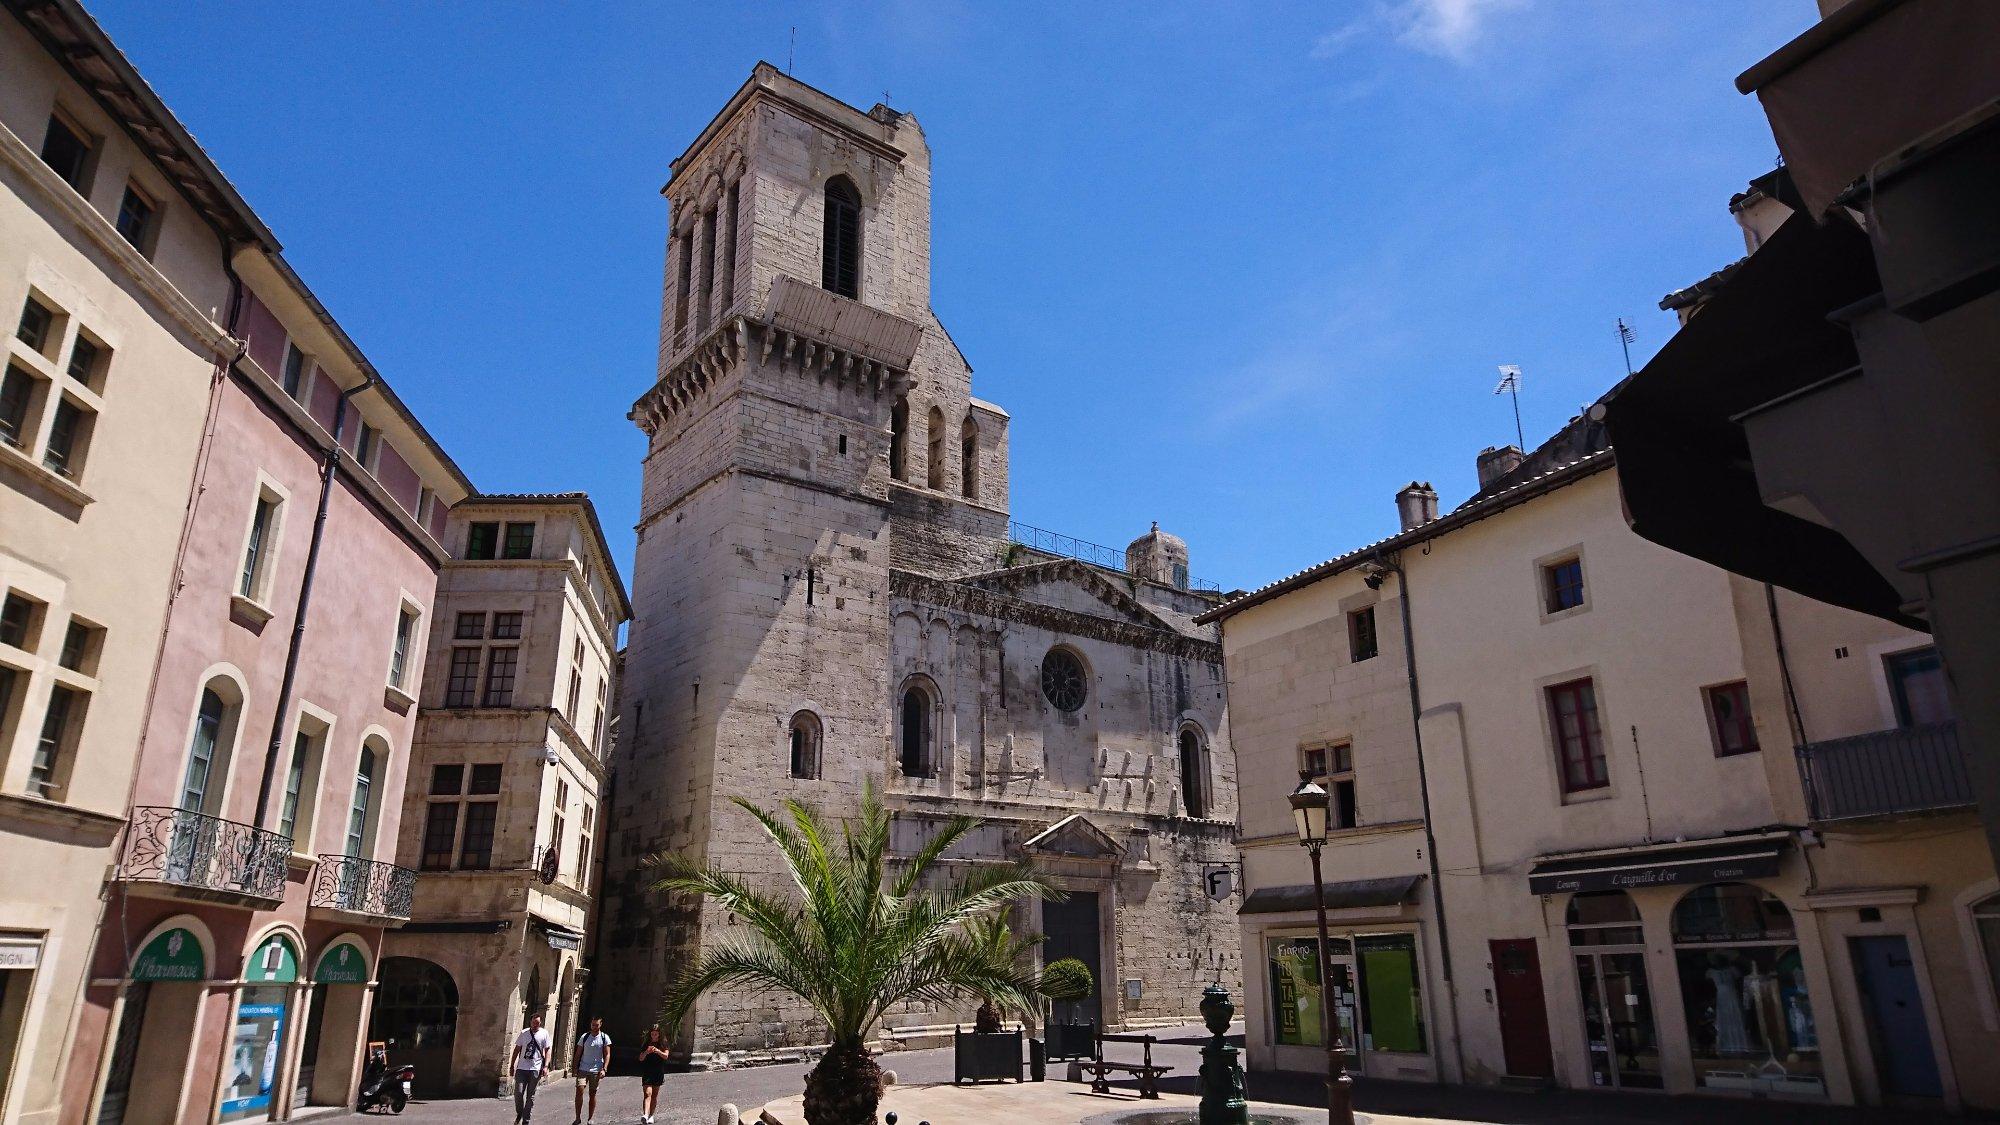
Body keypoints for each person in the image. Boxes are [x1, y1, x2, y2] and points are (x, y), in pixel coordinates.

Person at [510, 1011, 552, 1123]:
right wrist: (512, 1065)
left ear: (540, 1023)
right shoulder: (524, 1033)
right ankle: (520, 1113)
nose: (535, 1025)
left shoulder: (544, 1034)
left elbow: (547, 1051)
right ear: (530, 1022)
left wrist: (546, 1066)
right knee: (518, 1093)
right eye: (533, 1022)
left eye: (537, 1023)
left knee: (530, 1096)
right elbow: (516, 1050)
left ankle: (526, 1120)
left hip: (535, 1068)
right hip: (522, 1068)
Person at [573, 1017, 611, 1125]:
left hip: (596, 1070)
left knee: (592, 1094)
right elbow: (578, 1052)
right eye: (593, 1025)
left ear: (600, 1025)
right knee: (579, 1090)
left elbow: (607, 1054)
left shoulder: (604, 1038)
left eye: (596, 1025)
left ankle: (590, 1118)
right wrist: (575, 1067)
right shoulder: (584, 1037)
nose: (594, 1027)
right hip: (583, 1068)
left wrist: (604, 1069)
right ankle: (577, 1117)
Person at [638, 1025, 670, 1124]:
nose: (654, 1035)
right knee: (647, 1093)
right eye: (652, 1033)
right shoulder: (646, 1043)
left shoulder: (664, 1044)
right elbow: (640, 1058)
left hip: (658, 1071)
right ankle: (645, 1115)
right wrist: (647, 1052)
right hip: (647, 1071)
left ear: (659, 1034)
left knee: (654, 1095)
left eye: (656, 1033)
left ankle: (651, 1115)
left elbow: (666, 1056)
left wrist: (657, 1051)